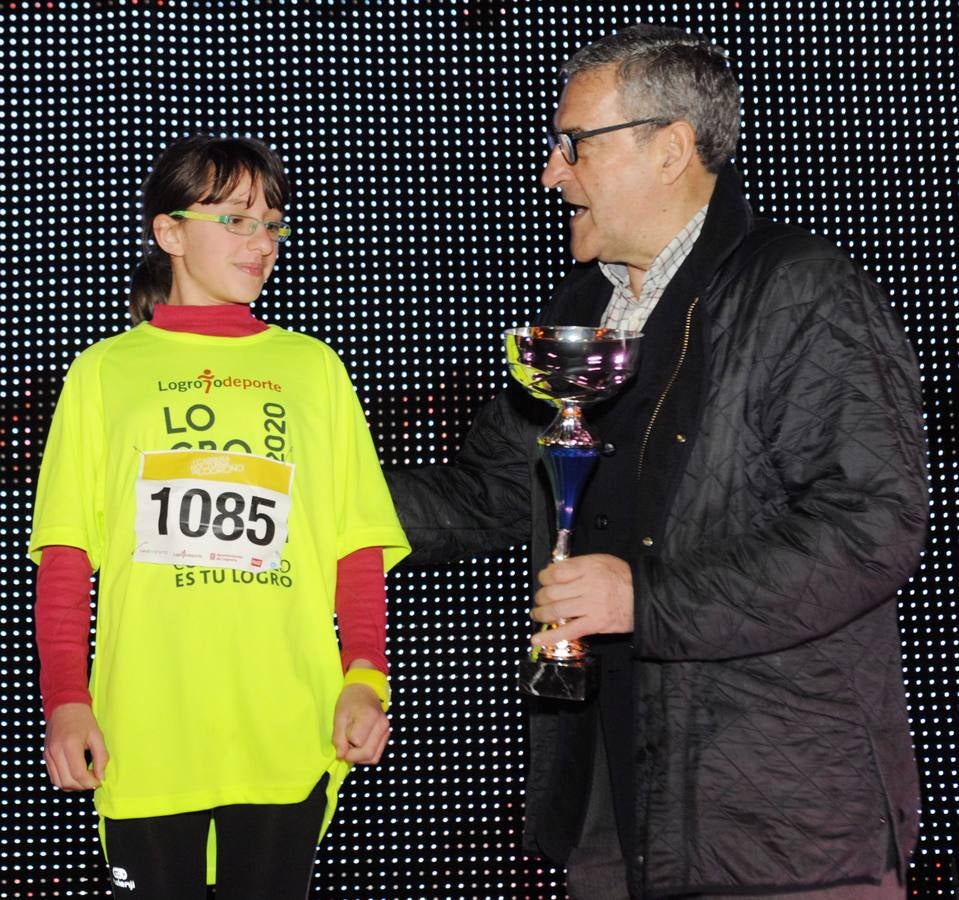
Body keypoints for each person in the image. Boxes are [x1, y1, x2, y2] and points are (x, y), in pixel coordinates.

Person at [386, 24, 928, 899]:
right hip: (612, 806)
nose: (551, 173)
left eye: (575, 144)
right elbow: (488, 495)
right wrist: (300, 503)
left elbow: (872, 526)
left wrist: (644, 600)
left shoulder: (798, 290)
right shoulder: (581, 309)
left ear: (670, 149)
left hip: (778, 819)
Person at [29, 134, 410, 899]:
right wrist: (67, 701)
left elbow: (357, 545)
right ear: (169, 233)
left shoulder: (314, 368)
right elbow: (65, 555)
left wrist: (365, 675)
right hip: (145, 731)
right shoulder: (103, 372)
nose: (261, 242)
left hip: (284, 726)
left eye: (271, 222)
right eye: (235, 219)